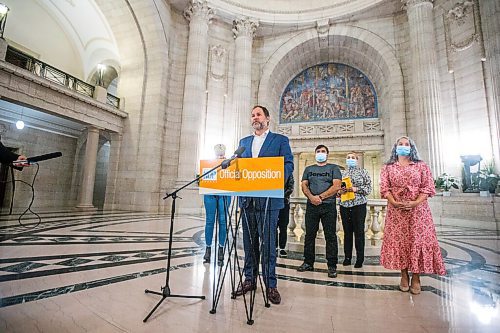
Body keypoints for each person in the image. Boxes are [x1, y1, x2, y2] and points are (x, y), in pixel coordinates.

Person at [234, 105, 293, 305]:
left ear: (267, 119)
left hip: (269, 201)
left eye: (258, 114)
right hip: (248, 201)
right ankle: (249, 279)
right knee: (249, 244)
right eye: (252, 115)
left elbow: (288, 164)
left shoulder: (280, 140)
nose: (255, 117)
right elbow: (238, 168)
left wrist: (275, 180)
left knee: (268, 244)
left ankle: (270, 284)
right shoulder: (244, 143)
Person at [380, 136, 446, 295]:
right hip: (396, 211)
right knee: (401, 241)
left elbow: (428, 187)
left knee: (417, 241)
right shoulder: (388, 167)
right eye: (400, 144)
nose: (403, 146)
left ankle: (416, 277)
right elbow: (384, 188)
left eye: (406, 144)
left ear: (412, 147)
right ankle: (403, 275)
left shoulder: (421, 166)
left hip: (418, 211)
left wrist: (415, 202)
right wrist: (394, 202)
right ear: (395, 148)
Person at [297, 145, 342, 278]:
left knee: (331, 236)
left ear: (327, 154)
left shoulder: (334, 168)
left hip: (328, 206)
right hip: (311, 206)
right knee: (309, 235)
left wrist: (320, 197)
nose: (320, 153)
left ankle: (332, 266)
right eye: (318, 152)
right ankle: (308, 262)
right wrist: (312, 197)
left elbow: (336, 186)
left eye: (323, 152)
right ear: (315, 154)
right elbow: (304, 185)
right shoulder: (309, 169)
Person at [338, 152, 372, 268]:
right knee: (347, 233)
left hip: (359, 205)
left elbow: (368, 189)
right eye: (348, 157)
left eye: (353, 158)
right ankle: (347, 257)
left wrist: (355, 189)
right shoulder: (342, 173)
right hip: (345, 205)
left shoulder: (363, 172)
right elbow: (336, 190)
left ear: (357, 160)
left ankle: (359, 259)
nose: (350, 159)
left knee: (359, 232)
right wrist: (340, 191)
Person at [203, 144, 230, 266]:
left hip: (224, 194)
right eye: (218, 154)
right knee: (209, 221)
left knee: (223, 221)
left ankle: (221, 249)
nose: (220, 156)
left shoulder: (230, 163)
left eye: (222, 154)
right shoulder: (209, 163)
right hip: (210, 193)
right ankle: (208, 248)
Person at [276, 174, 294, 257]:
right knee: (273, 227)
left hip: (284, 203)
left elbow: (291, 188)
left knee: (283, 227)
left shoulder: (288, 174)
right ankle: (274, 246)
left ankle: (282, 248)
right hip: (273, 203)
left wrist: (280, 195)